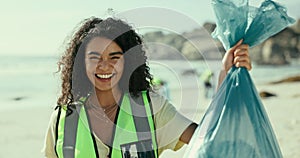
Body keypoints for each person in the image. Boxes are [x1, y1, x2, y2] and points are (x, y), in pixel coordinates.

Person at [43, 17, 252, 158]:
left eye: (114, 57)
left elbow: (210, 139)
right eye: (95, 57)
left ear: (128, 62)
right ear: (81, 63)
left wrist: (225, 75)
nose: (104, 65)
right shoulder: (63, 119)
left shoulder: (152, 108)